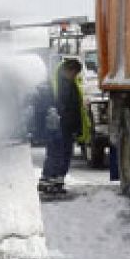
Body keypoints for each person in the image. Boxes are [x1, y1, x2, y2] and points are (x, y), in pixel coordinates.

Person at [38, 56, 90, 197]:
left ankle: (55, 182)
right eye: (74, 73)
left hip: (65, 126)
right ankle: (49, 182)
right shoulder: (59, 84)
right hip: (60, 126)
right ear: (68, 70)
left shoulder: (68, 82)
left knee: (62, 155)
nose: (75, 76)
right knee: (57, 154)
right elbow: (62, 106)